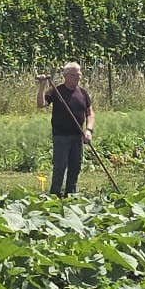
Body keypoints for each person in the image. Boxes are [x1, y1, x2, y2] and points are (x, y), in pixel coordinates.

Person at [37, 62, 95, 196]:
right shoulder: (56, 91)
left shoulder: (83, 93)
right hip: (61, 137)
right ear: (66, 76)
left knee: (75, 167)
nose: (78, 77)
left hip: (77, 136)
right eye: (75, 75)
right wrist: (42, 86)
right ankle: (55, 195)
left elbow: (90, 113)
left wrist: (88, 130)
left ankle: (71, 194)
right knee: (60, 167)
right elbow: (41, 104)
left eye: (79, 75)